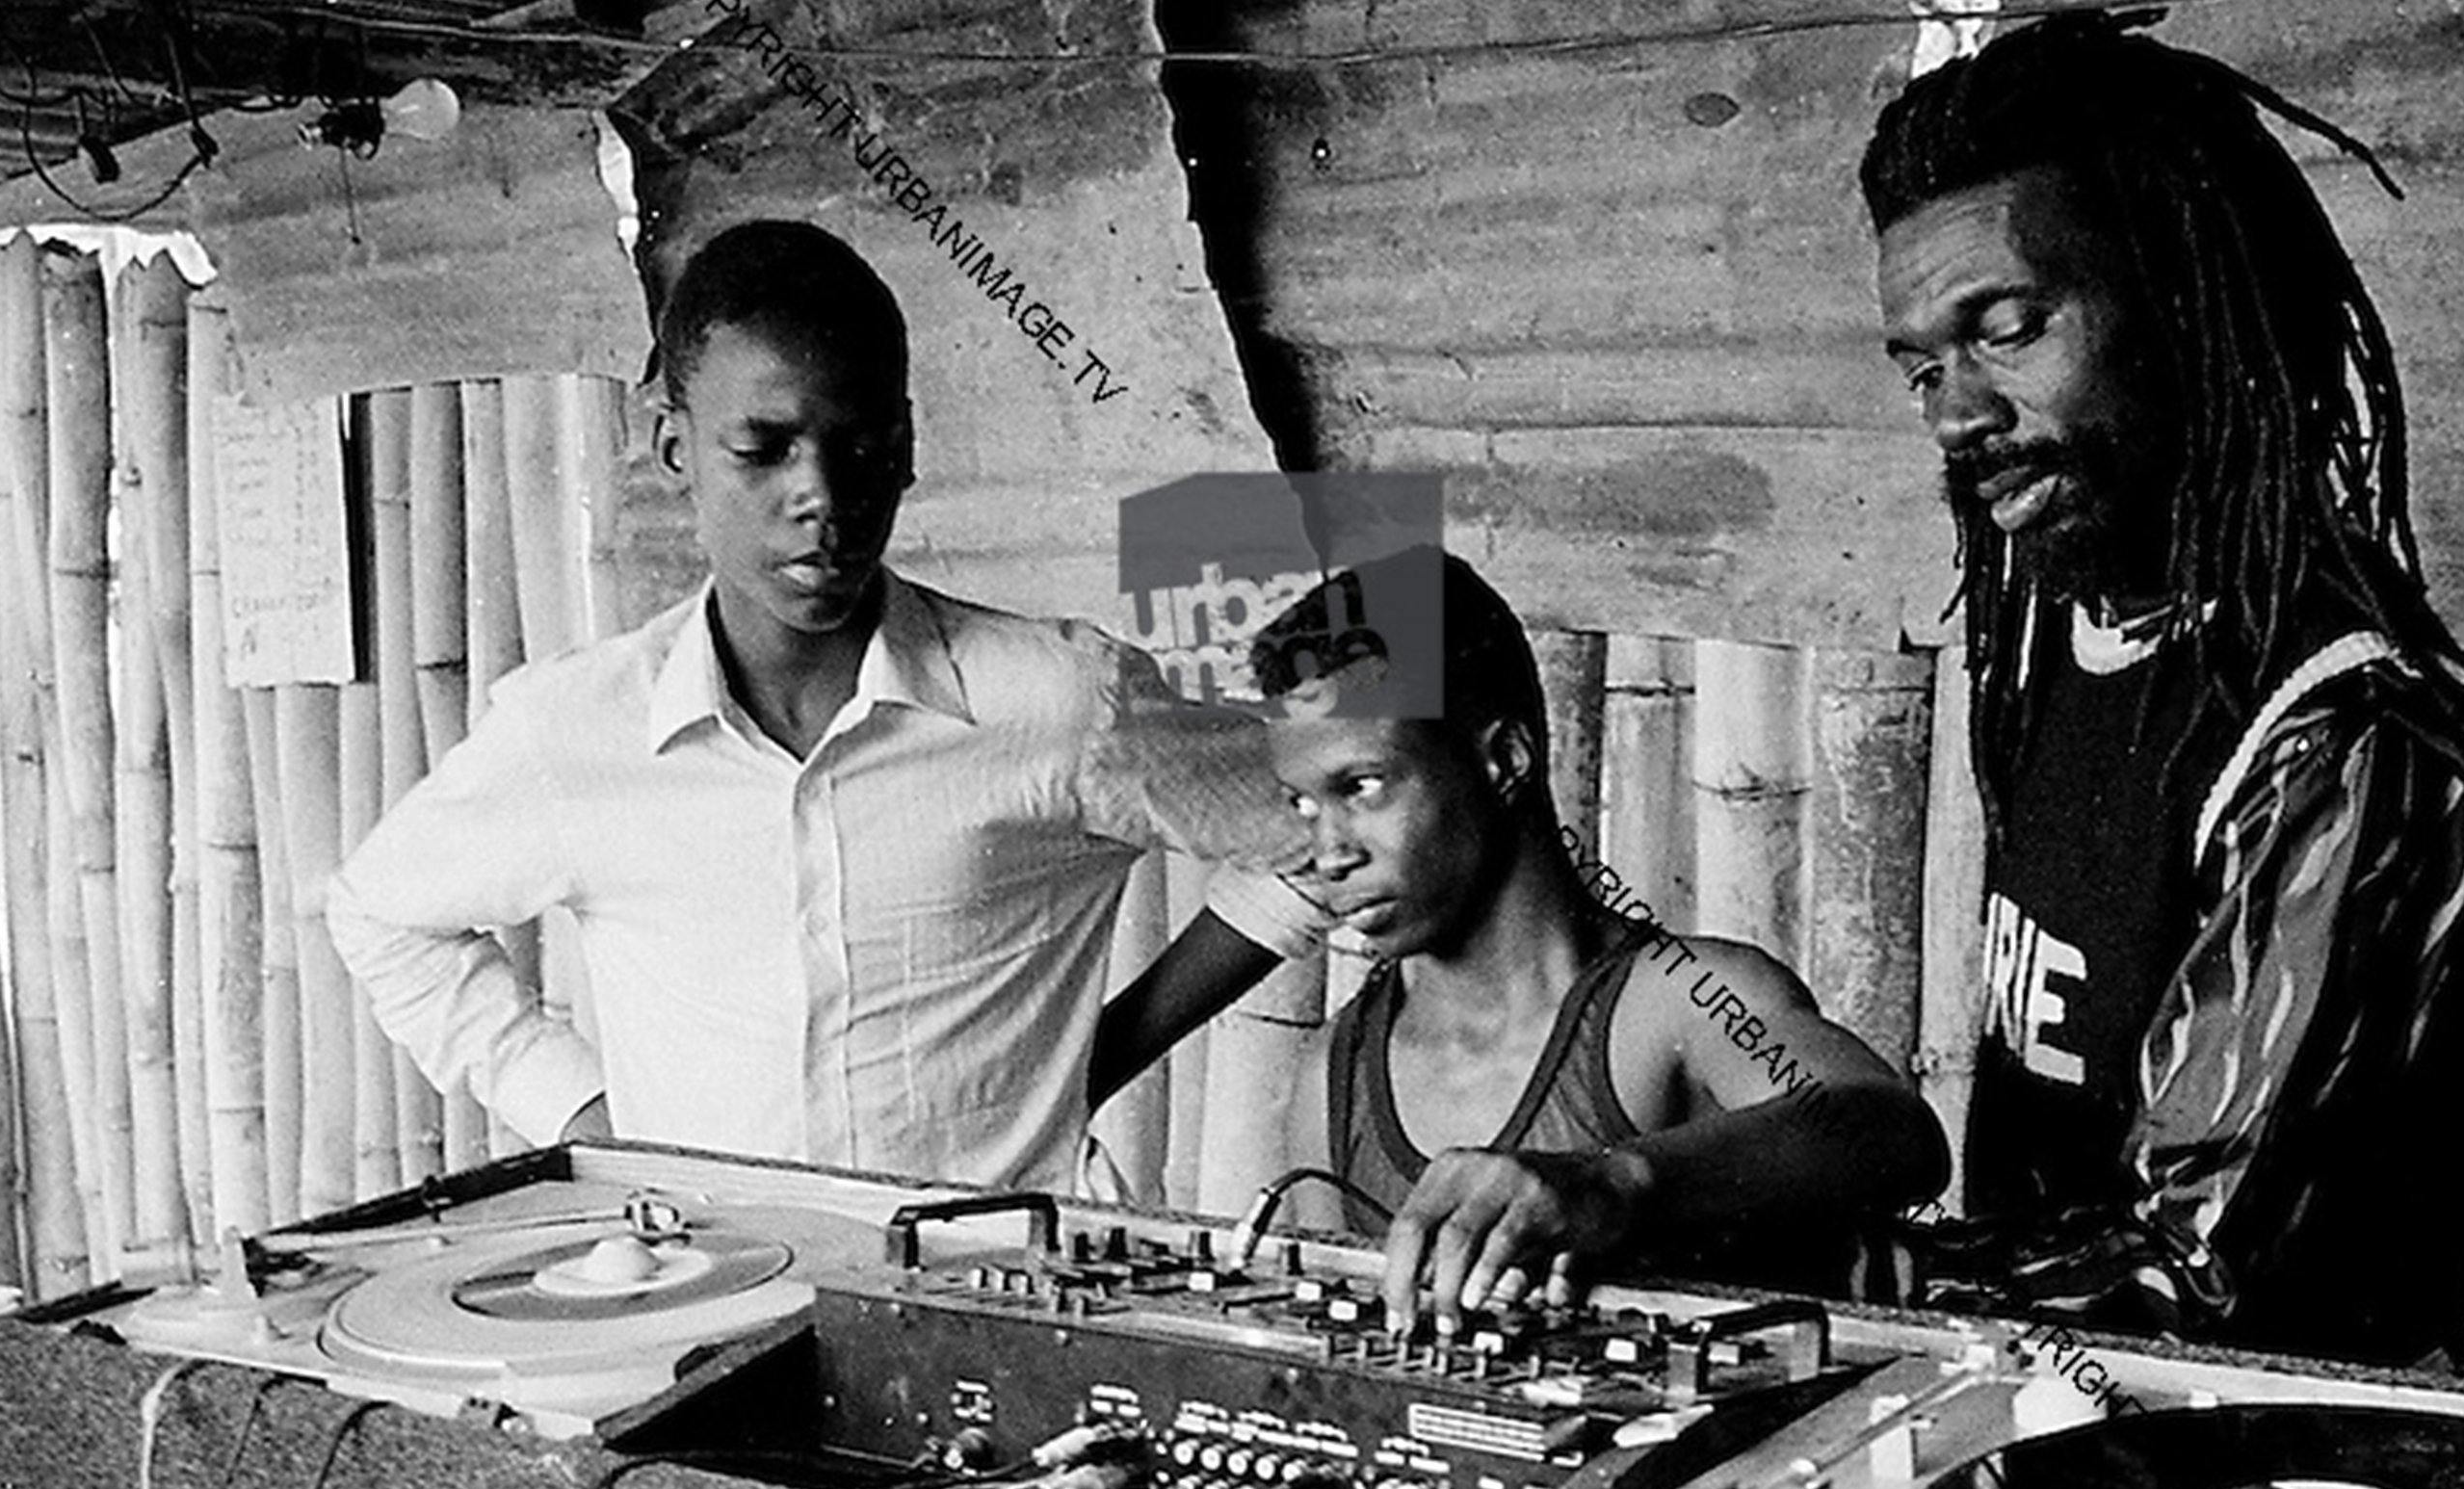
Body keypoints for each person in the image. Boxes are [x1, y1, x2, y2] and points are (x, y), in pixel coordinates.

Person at [326, 220, 1315, 1191]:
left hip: (983, 1296)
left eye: (860, 446)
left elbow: (1321, 829)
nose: (821, 496)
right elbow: (380, 915)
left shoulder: (1052, 701)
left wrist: (1090, 1063)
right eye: (761, 449)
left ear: (908, 446)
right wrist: (590, 1114)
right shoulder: (577, 730)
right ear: (677, 450)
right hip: (706, 1289)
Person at [1861, 10, 2464, 1364]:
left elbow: (2190, 1266)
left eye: (2010, 329)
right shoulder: (2061, 627)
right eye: (1924, 365)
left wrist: (1758, 1264)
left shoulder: (2346, 720)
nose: (1955, 413)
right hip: (2055, 1436)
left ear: (2184, 302)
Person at [1245, 546, 1948, 1337]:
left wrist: (1610, 1184)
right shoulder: (1334, 1075)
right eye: (1301, 805)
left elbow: (1890, 1132)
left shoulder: (1678, 1005)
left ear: (1503, 758)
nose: (1328, 850)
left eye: (1361, 787)